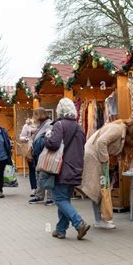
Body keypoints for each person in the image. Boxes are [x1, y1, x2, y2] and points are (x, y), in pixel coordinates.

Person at [44, 98, 90, 240]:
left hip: (62, 168)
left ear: (60, 110)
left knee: (59, 199)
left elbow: (54, 144)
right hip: (76, 167)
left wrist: (47, 138)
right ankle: (60, 230)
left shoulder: (59, 125)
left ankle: (79, 222)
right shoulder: (79, 127)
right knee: (65, 199)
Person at [81, 119, 133, 229]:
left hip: (97, 157)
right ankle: (100, 220)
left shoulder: (120, 130)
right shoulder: (117, 129)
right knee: (98, 188)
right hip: (94, 157)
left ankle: (102, 219)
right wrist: (105, 161)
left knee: (102, 188)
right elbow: (101, 142)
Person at [29, 108, 54, 206]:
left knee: (46, 175)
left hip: (45, 154)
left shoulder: (48, 124)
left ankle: (50, 197)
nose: (33, 118)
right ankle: (40, 195)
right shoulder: (41, 125)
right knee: (40, 175)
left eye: (34, 115)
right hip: (39, 155)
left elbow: (49, 138)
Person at [19, 118, 37, 197]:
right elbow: (21, 137)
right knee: (32, 169)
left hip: (40, 149)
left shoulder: (43, 125)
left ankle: (41, 189)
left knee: (40, 170)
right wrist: (26, 138)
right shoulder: (27, 125)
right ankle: (34, 189)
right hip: (30, 150)